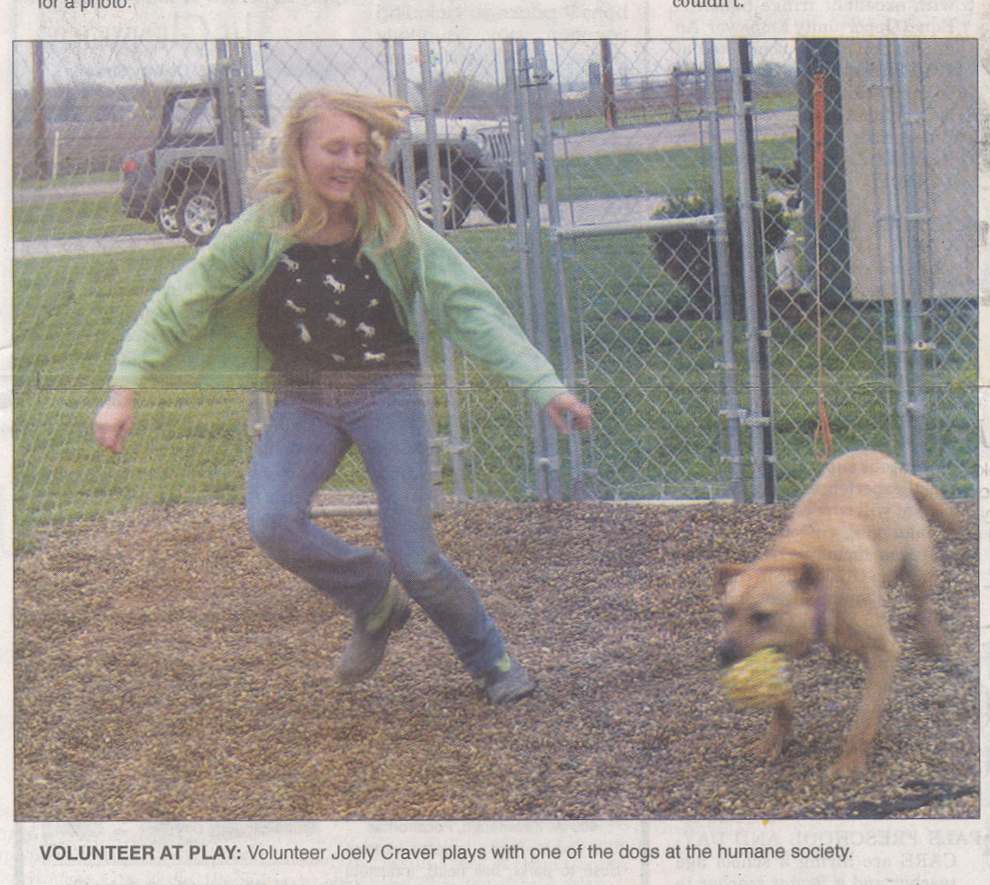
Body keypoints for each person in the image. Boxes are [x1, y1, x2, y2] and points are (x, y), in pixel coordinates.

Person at [94, 89, 592, 705]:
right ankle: (372, 598)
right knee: (272, 520)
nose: (350, 162)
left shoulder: (392, 228)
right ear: (299, 151)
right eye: (334, 147)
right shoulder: (261, 230)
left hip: (386, 392)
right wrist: (124, 391)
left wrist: (545, 385)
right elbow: (177, 304)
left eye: (360, 150)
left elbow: (469, 306)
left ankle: (490, 658)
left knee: (417, 557)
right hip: (305, 399)